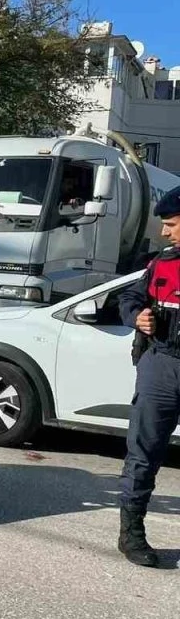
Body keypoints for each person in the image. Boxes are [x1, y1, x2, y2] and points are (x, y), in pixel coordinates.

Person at [116, 185, 180, 568]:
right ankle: (131, 534)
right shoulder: (161, 263)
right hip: (162, 366)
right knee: (143, 454)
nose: (164, 231)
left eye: (171, 223)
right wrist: (136, 317)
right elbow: (129, 298)